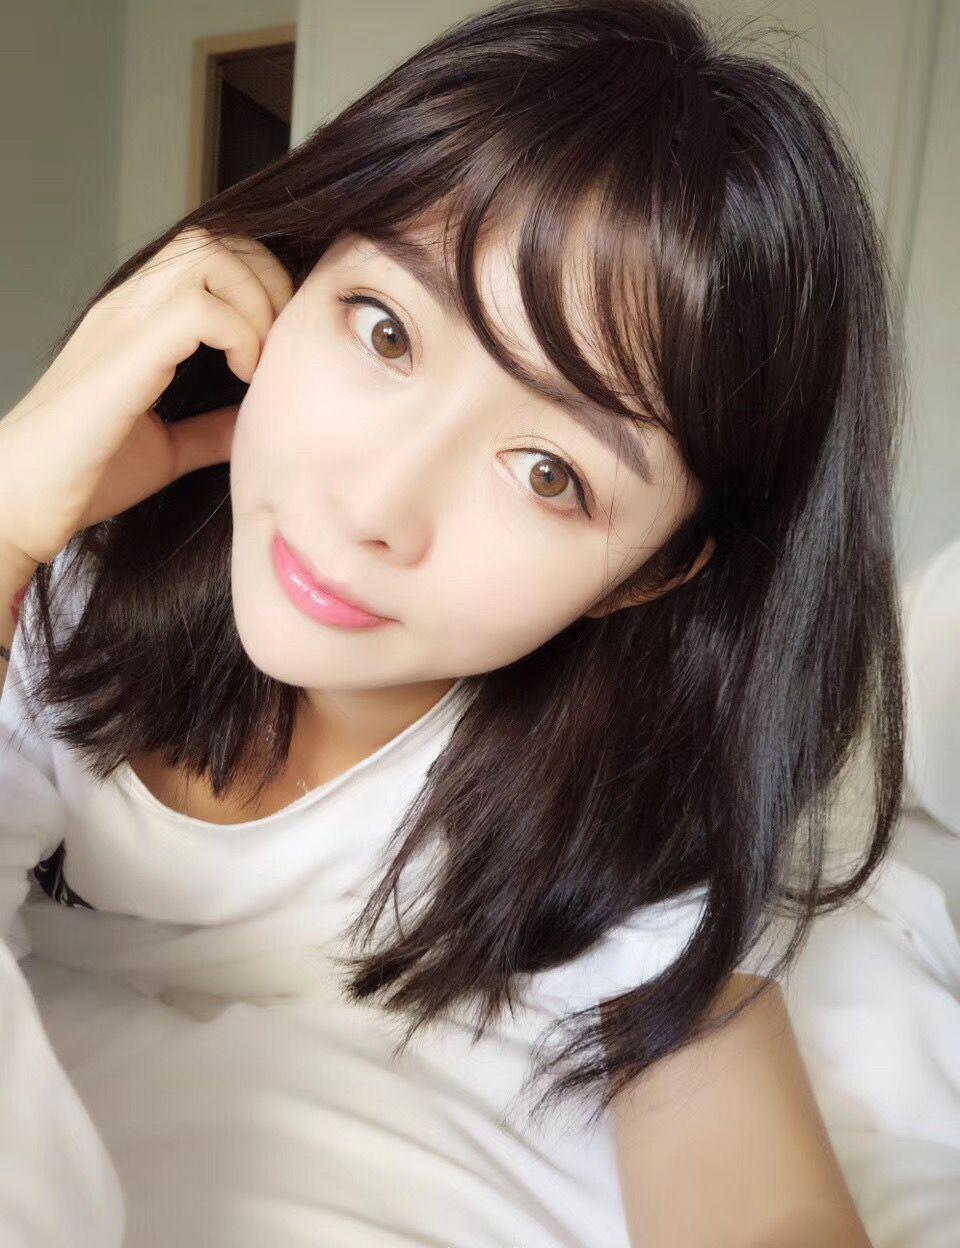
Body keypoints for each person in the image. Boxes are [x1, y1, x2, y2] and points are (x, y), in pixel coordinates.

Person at [0, 0, 903, 1243]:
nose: (372, 506)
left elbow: (760, 1200)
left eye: (549, 473)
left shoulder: (619, 812)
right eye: (386, 331)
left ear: (649, 576)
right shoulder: (83, 580)